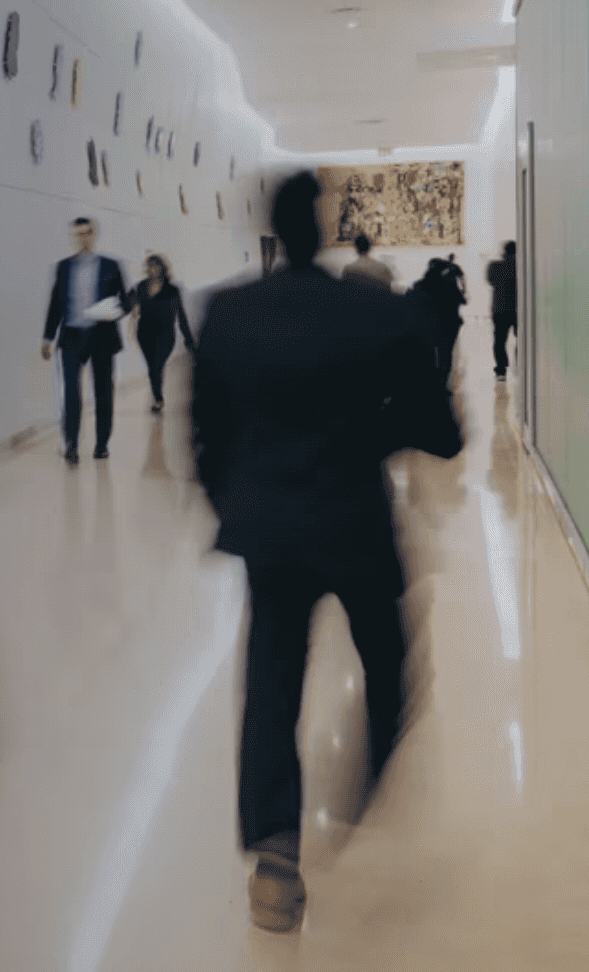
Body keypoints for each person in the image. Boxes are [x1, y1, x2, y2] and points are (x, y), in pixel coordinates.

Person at [191, 172, 462, 933]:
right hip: (354, 524)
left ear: (272, 232)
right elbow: (439, 428)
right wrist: (376, 435)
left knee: (272, 685)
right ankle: (359, 791)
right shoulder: (374, 311)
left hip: (271, 533)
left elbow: (205, 435)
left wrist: (238, 502)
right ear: (327, 228)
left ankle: (277, 864)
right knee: (389, 658)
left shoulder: (230, 313)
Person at [39, 217, 129, 462]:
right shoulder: (64, 267)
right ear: (74, 237)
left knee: (103, 392)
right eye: (78, 234)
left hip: (101, 336)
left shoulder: (111, 265)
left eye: (87, 232)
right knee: (71, 393)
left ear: (94, 234)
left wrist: (113, 311)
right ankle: (71, 445)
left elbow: (126, 301)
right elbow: (55, 304)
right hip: (72, 336)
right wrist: (47, 337)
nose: (83, 238)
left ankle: (101, 444)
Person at [126, 253, 196, 414]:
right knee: (152, 368)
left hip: (166, 334)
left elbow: (181, 316)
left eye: (155, 266)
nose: (153, 269)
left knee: (157, 364)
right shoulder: (141, 287)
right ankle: (158, 398)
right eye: (150, 266)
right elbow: (127, 306)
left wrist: (189, 340)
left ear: (162, 268)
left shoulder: (172, 290)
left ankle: (158, 399)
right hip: (145, 334)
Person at [406, 255, 467, 389]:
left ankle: (430, 381)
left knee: (430, 353)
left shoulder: (420, 285)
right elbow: (463, 300)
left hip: (428, 325)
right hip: (449, 323)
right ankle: (442, 382)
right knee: (446, 354)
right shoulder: (449, 284)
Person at [487, 241, 520, 381]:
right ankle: (520, 366)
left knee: (499, 341)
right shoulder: (521, 266)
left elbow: (490, 280)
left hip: (500, 309)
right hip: (519, 309)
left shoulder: (494, 266)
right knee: (522, 339)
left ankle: (501, 370)